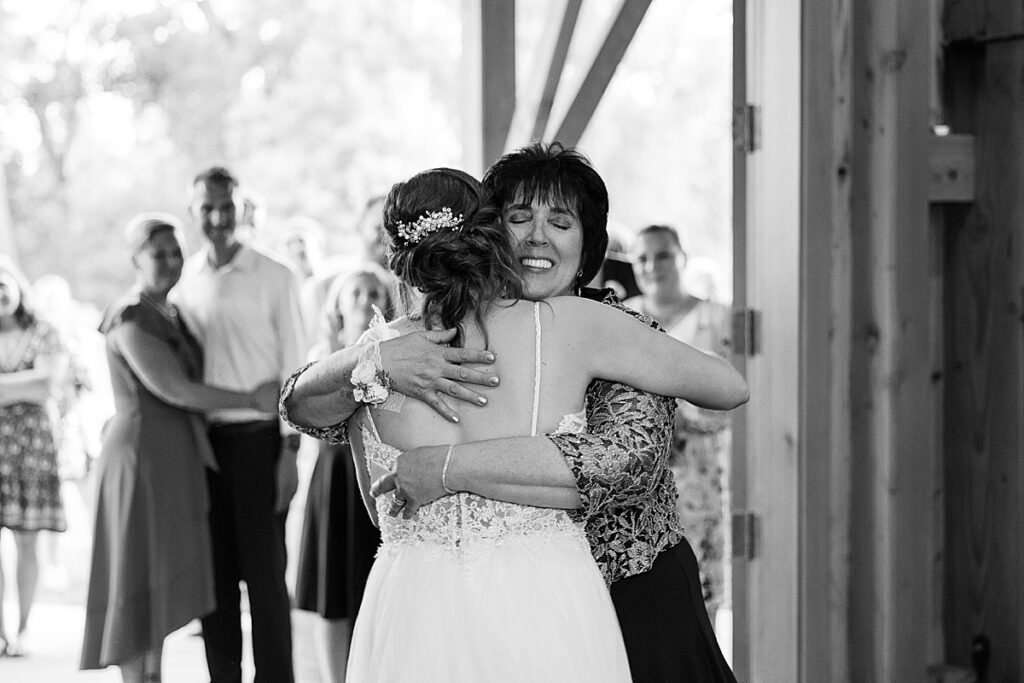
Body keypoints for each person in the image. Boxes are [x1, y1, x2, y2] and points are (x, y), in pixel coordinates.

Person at [282, 142, 741, 682]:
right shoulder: (388, 356)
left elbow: (618, 462)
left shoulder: (588, 324)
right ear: (489, 233)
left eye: (560, 221)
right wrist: (369, 359)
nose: (536, 237)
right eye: (519, 218)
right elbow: (299, 404)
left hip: (627, 595)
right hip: (548, 596)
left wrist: (444, 469)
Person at [79, 214, 280, 683]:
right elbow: (173, 387)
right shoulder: (129, 314)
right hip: (141, 459)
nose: (170, 261)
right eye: (158, 253)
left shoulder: (170, 311)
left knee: (157, 586)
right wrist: (250, 398)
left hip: (173, 461)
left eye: (176, 252)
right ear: (134, 260)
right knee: (137, 583)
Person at [173, 167, 306, 683]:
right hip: (203, 448)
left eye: (225, 205)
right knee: (216, 581)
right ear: (194, 211)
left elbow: (297, 370)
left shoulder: (276, 276)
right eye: (206, 207)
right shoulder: (185, 279)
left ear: (241, 207)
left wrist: (290, 454)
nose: (217, 217)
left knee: (267, 580)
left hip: (260, 443)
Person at [625, 224, 734, 624]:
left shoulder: (716, 317)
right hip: (638, 478)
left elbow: (734, 396)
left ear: (682, 257)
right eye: (642, 257)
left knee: (698, 594)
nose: (653, 266)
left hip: (699, 477)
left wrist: (679, 413)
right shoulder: (622, 317)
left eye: (663, 255)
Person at [294, 263, 395, 683]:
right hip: (334, 482)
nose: (365, 299)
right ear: (337, 304)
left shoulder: (394, 350)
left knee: (374, 587)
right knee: (331, 591)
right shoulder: (322, 358)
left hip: (378, 478)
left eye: (374, 291)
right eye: (355, 292)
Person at [0, 256, 68, 658]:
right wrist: (20, 384)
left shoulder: (45, 330)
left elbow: (46, 384)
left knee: (28, 542)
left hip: (32, 450)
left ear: (17, 284)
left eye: (3, 282)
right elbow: (34, 381)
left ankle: (24, 628)